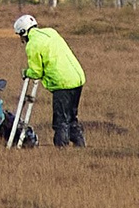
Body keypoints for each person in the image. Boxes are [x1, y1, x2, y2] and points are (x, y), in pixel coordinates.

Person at [13, 13, 86, 147]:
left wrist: (25, 72)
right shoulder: (51, 32)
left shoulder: (32, 45)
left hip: (62, 83)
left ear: (23, 32)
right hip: (78, 78)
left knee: (61, 120)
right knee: (71, 116)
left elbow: (36, 72)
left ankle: (61, 150)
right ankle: (80, 145)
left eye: (20, 35)